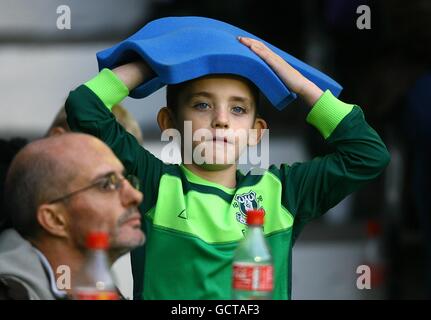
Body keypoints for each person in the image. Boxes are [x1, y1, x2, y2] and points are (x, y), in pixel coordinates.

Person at [65, 36, 390, 299]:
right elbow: (85, 106)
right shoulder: (153, 184)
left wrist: (301, 85)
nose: (220, 120)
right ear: (169, 122)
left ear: (256, 131)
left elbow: (368, 154)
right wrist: (159, 59)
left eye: (237, 109)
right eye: (202, 105)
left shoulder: (284, 192)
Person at [0, 133, 145, 299]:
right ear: (54, 219)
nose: (136, 196)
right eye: (107, 184)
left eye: (128, 180)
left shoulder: (99, 290)